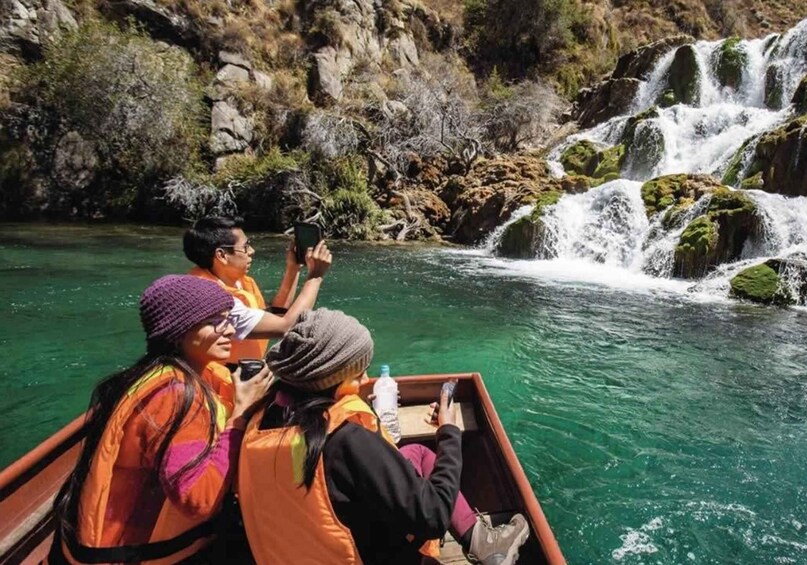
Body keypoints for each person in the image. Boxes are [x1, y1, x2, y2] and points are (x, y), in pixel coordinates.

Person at [237, 309, 530, 565]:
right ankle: (484, 544)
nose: (366, 381)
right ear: (329, 381)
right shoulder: (344, 442)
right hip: (360, 557)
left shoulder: (260, 419)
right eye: (357, 375)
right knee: (430, 482)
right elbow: (435, 515)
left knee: (416, 452)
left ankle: (480, 539)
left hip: (297, 548)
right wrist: (448, 431)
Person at [50, 275, 274, 564]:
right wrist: (241, 415)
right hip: (134, 554)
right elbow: (199, 500)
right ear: (179, 330)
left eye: (228, 318)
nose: (230, 329)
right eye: (216, 321)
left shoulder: (152, 373)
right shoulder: (174, 396)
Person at [183, 216, 332, 364]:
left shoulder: (238, 282)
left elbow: (277, 316)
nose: (252, 251)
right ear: (222, 255)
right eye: (245, 247)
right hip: (224, 380)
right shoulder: (214, 299)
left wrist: (293, 269)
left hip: (245, 373)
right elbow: (285, 327)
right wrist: (315, 276)